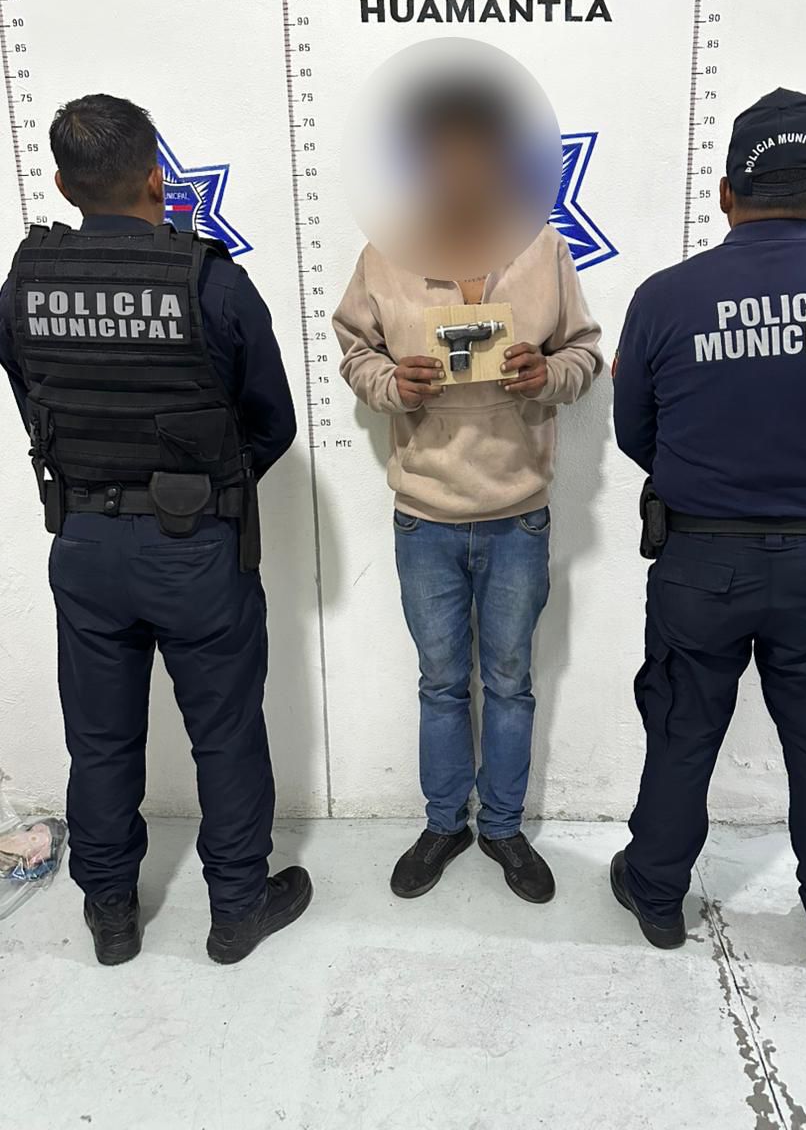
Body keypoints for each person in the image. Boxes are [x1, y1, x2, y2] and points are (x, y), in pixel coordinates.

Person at [610, 88, 806, 974]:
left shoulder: (665, 298)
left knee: (682, 732)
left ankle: (657, 896)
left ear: (725, 194)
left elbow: (637, 436)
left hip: (699, 558)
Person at [0, 94, 312, 966]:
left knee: (99, 740)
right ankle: (237, 910)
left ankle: (110, 914)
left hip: (84, 544)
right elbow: (271, 424)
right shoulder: (209, 281)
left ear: (64, 185)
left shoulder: (25, 283)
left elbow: (34, 402)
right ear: (154, 177)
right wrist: (200, 488)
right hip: (195, 547)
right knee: (226, 733)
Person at [334, 84, 602, 905]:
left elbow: (586, 354)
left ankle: (504, 829)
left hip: (519, 514)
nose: (460, 167)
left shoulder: (543, 249)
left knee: (510, 682)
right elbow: (354, 352)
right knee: (442, 683)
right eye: (442, 151)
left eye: (475, 150)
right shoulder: (386, 253)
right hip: (425, 517)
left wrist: (545, 373)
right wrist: (394, 385)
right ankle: (445, 822)